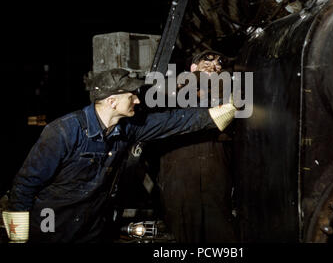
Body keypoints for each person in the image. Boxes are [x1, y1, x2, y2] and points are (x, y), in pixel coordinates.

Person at [4, 68, 236, 243]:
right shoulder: (63, 131)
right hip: (52, 227)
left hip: (92, 229)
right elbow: (25, 185)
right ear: (112, 101)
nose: (137, 99)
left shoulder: (128, 128)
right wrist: (19, 238)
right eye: (131, 95)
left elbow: (174, 121)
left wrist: (228, 109)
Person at [156, 50, 238, 243]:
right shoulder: (172, 90)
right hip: (181, 169)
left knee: (219, 227)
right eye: (206, 63)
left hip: (215, 168)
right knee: (184, 227)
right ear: (193, 68)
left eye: (218, 65)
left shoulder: (227, 91)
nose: (214, 67)